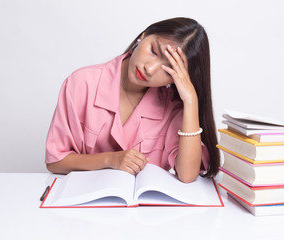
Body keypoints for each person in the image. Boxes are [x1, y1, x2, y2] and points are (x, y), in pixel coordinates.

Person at [45, 17, 220, 183]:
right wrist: (110, 160)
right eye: (154, 51)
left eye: (168, 70)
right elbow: (56, 162)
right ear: (143, 36)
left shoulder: (173, 106)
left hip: (142, 210)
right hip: (84, 205)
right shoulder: (82, 83)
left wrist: (191, 100)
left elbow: (188, 175)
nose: (150, 69)